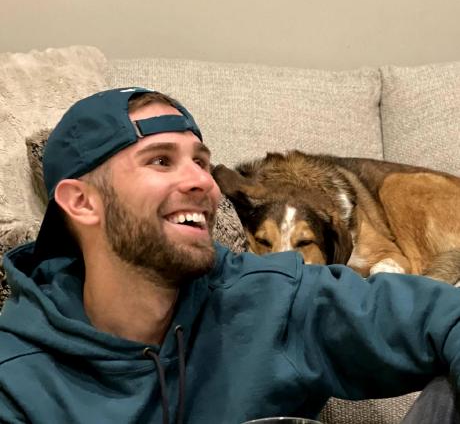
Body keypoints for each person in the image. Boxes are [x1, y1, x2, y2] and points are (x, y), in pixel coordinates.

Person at [0, 87, 460, 424]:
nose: (205, 183)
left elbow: (445, 315)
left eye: (200, 162)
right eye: (161, 160)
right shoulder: (17, 377)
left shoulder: (275, 297)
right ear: (82, 202)